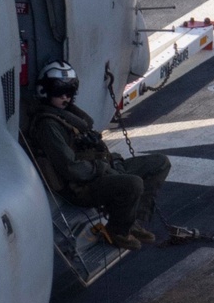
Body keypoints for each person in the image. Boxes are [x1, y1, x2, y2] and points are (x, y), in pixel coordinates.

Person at [28, 62, 170, 250]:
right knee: (133, 184)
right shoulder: (49, 126)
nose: (65, 97)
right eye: (58, 91)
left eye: (69, 92)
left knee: (160, 163)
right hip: (83, 186)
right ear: (44, 91)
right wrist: (102, 169)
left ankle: (132, 222)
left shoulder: (68, 117)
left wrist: (111, 163)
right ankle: (117, 231)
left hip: (101, 169)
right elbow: (71, 168)